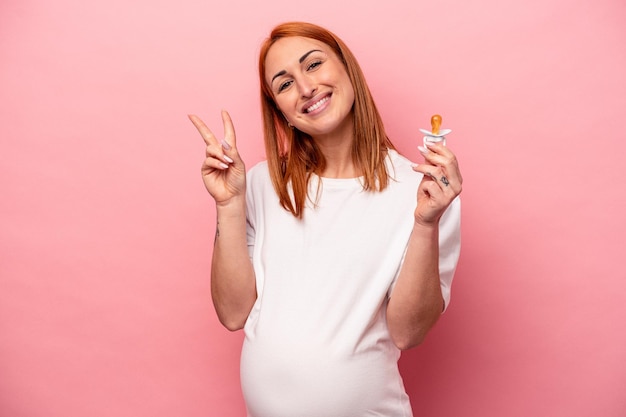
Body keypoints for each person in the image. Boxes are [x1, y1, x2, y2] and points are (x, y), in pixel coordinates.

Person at [189, 21, 462, 417]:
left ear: (348, 68)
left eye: (313, 65)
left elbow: (409, 332)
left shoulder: (423, 190)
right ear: (280, 112)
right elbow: (232, 314)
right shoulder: (262, 183)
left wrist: (425, 224)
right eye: (284, 84)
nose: (305, 88)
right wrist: (229, 206)